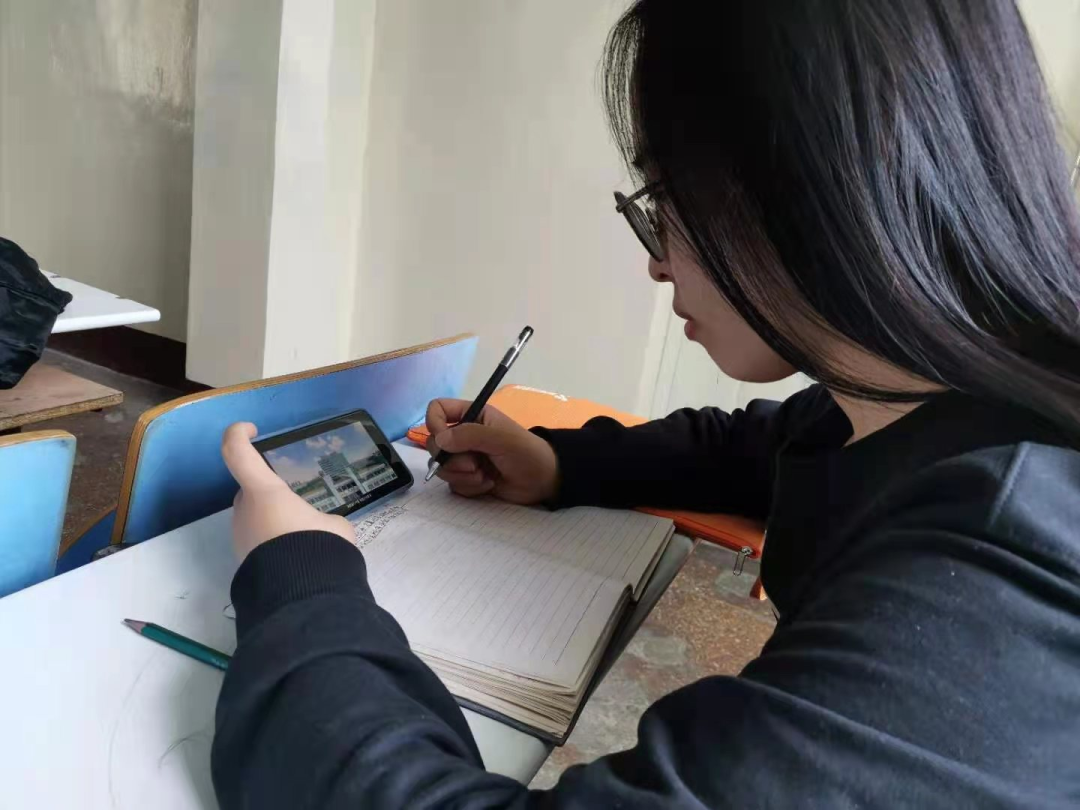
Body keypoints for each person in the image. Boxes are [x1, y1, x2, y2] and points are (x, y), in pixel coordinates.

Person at [211, 1, 1080, 807]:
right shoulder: (947, 398)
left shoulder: (1003, 581)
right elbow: (760, 448)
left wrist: (302, 580)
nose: (657, 262)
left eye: (663, 203)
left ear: (807, 185)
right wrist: (557, 463)